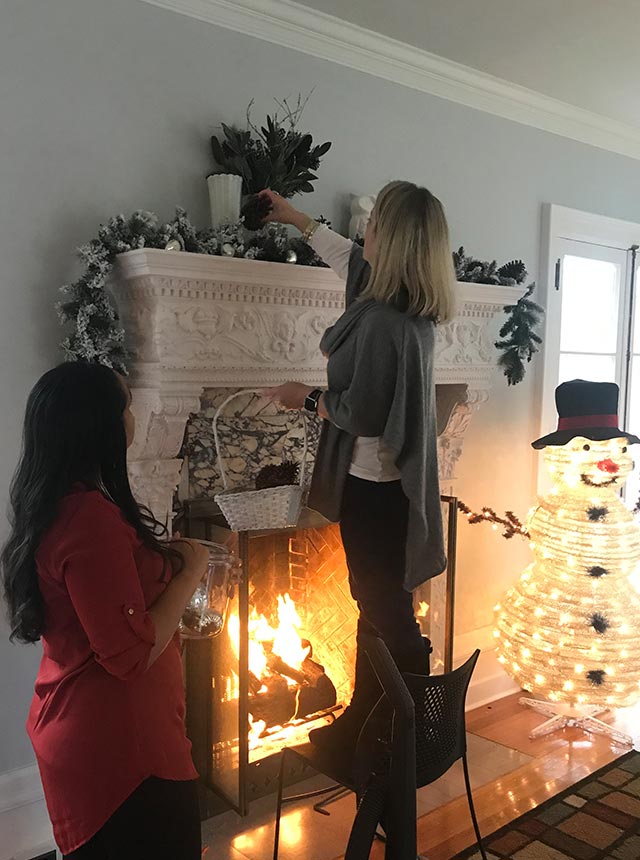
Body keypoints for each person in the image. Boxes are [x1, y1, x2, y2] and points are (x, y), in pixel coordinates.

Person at [260, 181, 455, 760]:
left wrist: (305, 397)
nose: (363, 229)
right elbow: (349, 256)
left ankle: (415, 735)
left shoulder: (379, 322)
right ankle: (369, 721)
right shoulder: (408, 308)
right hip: (394, 487)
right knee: (377, 601)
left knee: (387, 611)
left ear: (389, 240)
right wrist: (296, 218)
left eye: (374, 222)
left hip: (374, 488)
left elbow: (361, 412)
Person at [1, 362, 209, 859]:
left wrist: (168, 560)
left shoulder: (59, 503)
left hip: (100, 734)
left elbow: (111, 598)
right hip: (123, 756)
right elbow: (129, 657)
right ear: (101, 424)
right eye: (127, 405)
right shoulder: (89, 517)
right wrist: (189, 573)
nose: (133, 415)